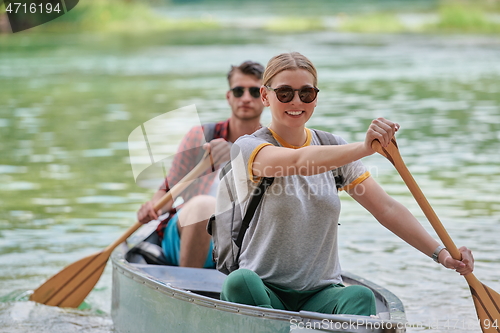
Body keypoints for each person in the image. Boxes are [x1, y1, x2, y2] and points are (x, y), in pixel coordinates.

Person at [220, 52, 474, 316]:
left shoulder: (333, 148)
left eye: (306, 93)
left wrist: (442, 255)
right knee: (240, 282)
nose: (296, 101)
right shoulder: (248, 147)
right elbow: (298, 160)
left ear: (315, 98)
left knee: (359, 296)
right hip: (262, 289)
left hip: (319, 294)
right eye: (284, 93)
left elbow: (385, 208)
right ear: (265, 96)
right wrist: (365, 148)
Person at [137, 60, 265, 268]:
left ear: (266, 97)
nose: (246, 98)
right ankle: (187, 288)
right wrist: (152, 208)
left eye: (255, 92)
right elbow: (168, 191)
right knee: (204, 205)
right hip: (189, 232)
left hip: (242, 242)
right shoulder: (202, 137)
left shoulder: (270, 146)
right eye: (239, 91)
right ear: (229, 96)